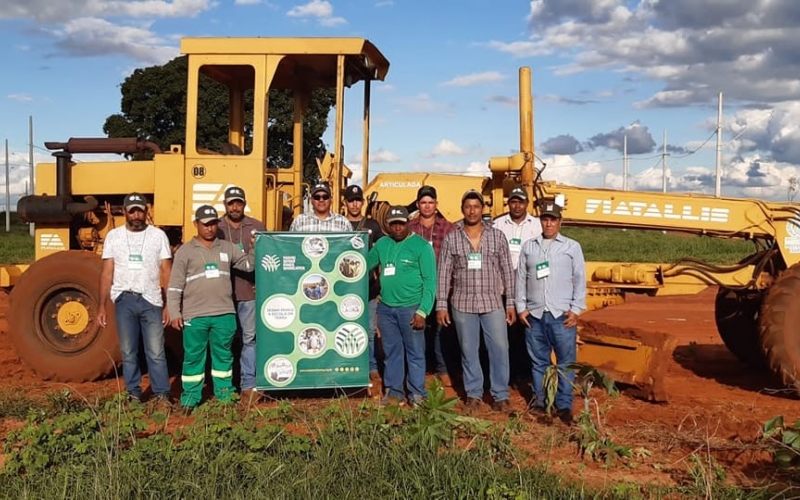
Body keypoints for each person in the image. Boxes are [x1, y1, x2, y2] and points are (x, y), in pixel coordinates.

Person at [167, 205, 255, 412]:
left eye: (213, 223)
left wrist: (254, 248)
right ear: (196, 224)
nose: (209, 228)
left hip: (224, 314)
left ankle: (225, 397)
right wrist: (174, 312)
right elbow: (175, 286)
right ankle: (190, 399)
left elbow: (248, 265)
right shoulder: (185, 251)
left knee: (224, 357)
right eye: (205, 224)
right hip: (195, 315)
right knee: (193, 358)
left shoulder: (227, 247)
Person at [436, 189, 516, 414]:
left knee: (499, 348)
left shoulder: (497, 236)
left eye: (476, 206)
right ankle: (474, 395)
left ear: (483, 209)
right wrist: (441, 305)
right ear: (463, 209)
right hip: (463, 304)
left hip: (492, 302)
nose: (472, 211)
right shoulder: (452, 238)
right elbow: (443, 274)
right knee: (469, 351)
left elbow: (507, 271)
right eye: (468, 207)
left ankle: (501, 395)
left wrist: (510, 302)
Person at [98, 192, 173, 405]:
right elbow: (107, 273)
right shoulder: (114, 237)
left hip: (152, 300)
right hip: (125, 300)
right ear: (124, 212)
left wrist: (169, 304)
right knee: (128, 351)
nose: (136, 215)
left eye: (140, 211)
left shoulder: (158, 236)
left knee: (156, 351)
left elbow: (167, 271)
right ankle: (133, 393)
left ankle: (162, 394)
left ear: (146, 211)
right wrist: (102, 306)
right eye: (132, 211)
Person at [515, 202, 586, 425]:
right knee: (539, 363)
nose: (548, 223)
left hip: (561, 316)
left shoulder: (572, 247)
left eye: (553, 219)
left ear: (559, 222)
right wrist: (521, 308)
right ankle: (540, 401)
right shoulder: (529, 246)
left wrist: (576, 309)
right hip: (535, 315)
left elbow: (580, 279)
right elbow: (521, 279)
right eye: (545, 219)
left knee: (565, 363)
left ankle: (563, 405)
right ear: (540, 221)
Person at [367, 206, 436, 406]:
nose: (397, 228)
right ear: (388, 225)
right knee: (391, 353)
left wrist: (423, 311)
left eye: (401, 223)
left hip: (411, 308)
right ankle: (394, 392)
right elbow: (363, 264)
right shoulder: (382, 244)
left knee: (415, 353)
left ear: (408, 223)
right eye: (393, 224)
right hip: (386, 308)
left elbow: (430, 281)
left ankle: (417, 394)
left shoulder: (421, 246)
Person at [216, 185, 266, 404]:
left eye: (239, 203)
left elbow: (266, 260)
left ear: (244, 204)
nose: (235, 207)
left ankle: (248, 385)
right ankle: (224, 386)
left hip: (248, 293)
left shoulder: (257, 226)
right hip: (222, 296)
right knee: (224, 342)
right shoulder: (216, 227)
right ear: (225, 205)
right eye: (231, 203)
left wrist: (263, 285)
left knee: (249, 340)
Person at [407, 185, 457, 387]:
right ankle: (418, 369)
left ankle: (442, 368)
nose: (427, 206)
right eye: (423, 202)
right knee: (416, 327)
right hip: (415, 287)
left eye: (430, 202)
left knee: (440, 330)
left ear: (436, 204)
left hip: (440, 286)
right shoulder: (409, 228)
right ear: (417, 205)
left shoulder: (449, 228)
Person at [493, 186, 542, 388]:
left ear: (527, 204)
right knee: (505, 333)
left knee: (526, 332)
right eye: (513, 201)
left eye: (520, 202)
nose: (517, 206)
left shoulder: (537, 226)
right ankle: (508, 375)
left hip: (528, 288)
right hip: (503, 287)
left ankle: (525, 373)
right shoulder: (498, 224)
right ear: (509, 203)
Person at [343, 184, 385, 390]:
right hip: (343, 289)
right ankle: (347, 365)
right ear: (345, 202)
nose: (354, 204)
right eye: (351, 200)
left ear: (362, 202)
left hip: (368, 287)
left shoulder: (372, 225)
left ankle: (371, 366)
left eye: (358, 200)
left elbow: (383, 249)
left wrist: (381, 279)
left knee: (368, 330)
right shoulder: (339, 224)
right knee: (344, 328)